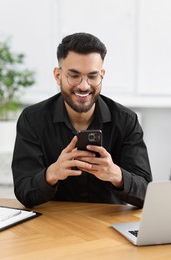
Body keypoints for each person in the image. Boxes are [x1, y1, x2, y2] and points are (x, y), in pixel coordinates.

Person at [11, 32, 152, 208]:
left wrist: (117, 175)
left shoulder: (126, 120)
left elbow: (147, 194)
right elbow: (24, 193)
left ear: (102, 75)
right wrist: (52, 174)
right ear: (58, 75)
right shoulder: (32, 119)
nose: (84, 86)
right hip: (51, 228)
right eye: (74, 75)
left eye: (92, 76)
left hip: (108, 227)